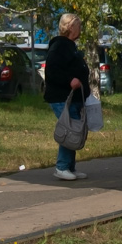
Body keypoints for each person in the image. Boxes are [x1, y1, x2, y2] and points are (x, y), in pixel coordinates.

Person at [44, 13, 91, 181]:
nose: (80, 29)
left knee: (75, 130)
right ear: (71, 27)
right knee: (69, 130)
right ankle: (62, 166)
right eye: (78, 25)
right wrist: (70, 80)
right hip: (62, 97)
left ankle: (70, 166)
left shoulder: (70, 46)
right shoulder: (60, 47)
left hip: (74, 97)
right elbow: (52, 71)